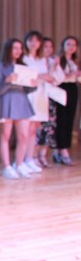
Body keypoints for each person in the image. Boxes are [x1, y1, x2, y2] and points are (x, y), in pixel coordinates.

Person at [0, 38, 35, 178]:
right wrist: (7, 81)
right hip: (6, 100)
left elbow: (27, 89)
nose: (18, 51)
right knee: (5, 135)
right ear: (8, 49)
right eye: (15, 48)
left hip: (21, 101)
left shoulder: (24, 66)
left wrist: (32, 84)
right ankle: (7, 166)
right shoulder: (0, 66)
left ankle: (19, 163)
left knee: (24, 135)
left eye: (20, 48)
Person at [20, 30, 55, 174]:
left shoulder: (42, 59)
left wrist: (43, 76)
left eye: (37, 41)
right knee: (26, 130)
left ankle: (30, 158)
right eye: (31, 40)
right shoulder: (24, 58)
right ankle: (21, 160)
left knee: (35, 129)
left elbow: (48, 76)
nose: (34, 43)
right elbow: (25, 77)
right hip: (29, 95)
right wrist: (40, 76)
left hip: (41, 95)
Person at [35, 37, 63, 167]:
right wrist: (48, 73)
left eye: (51, 47)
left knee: (49, 127)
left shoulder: (53, 61)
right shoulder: (38, 61)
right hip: (38, 96)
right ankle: (34, 156)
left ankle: (43, 155)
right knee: (38, 127)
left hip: (51, 97)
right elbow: (40, 77)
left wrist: (55, 66)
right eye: (46, 46)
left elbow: (57, 79)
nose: (48, 49)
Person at [53, 36, 79, 165]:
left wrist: (77, 75)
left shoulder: (76, 61)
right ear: (63, 46)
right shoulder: (57, 59)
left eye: (74, 45)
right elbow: (56, 78)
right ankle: (61, 150)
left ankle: (63, 149)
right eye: (68, 44)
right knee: (61, 119)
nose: (71, 47)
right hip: (60, 88)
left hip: (72, 88)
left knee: (69, 119)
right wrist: (69, 75)